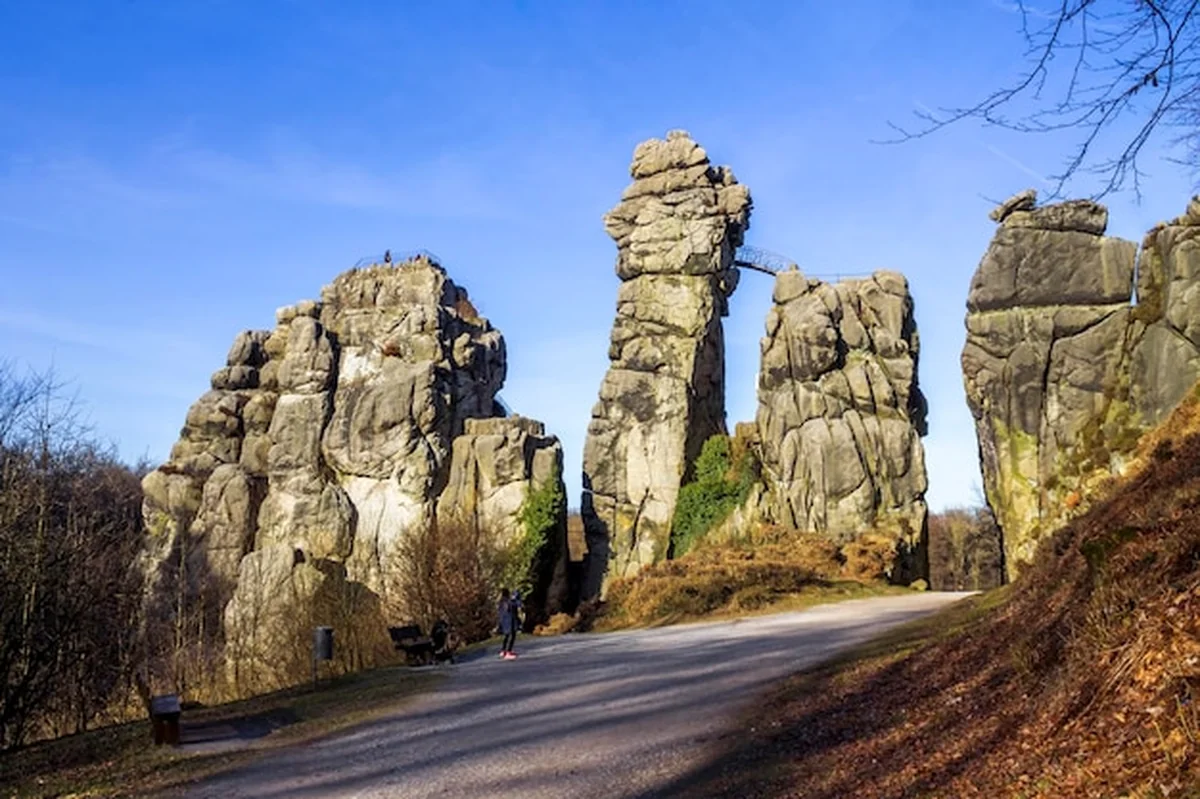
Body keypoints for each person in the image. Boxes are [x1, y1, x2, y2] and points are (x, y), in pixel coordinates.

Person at [497, 588, 515, 659]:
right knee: (512, 636)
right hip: (508, 621)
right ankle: (508, 652)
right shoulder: (507, 601)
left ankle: (503, 651)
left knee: (506, 636)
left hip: (503, 621)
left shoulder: (501, 601)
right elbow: (508, 609)